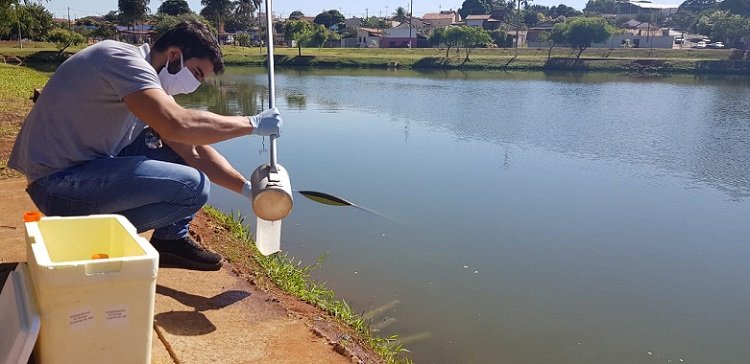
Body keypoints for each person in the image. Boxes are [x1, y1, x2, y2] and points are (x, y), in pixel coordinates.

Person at [8, 20, 281, 271]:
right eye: (196, 73)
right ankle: (89, 236)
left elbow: (195, 150)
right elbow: (178, 124)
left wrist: (248, 190)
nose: (195, 85)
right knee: (192, 187)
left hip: (80, 170)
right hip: (56, 183)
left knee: (181, 153)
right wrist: (251, 123)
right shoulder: (123, 61)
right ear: (174, 54)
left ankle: (171, 241)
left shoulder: (147, 83)